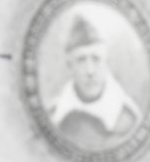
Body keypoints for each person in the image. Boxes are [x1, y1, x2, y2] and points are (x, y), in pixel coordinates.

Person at [49, 14, 143, 142]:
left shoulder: (129, 117)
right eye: (81, 60)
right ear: (70, 66)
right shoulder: (53, 115)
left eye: (96, 59)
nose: (90, 71)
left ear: (107, 62)